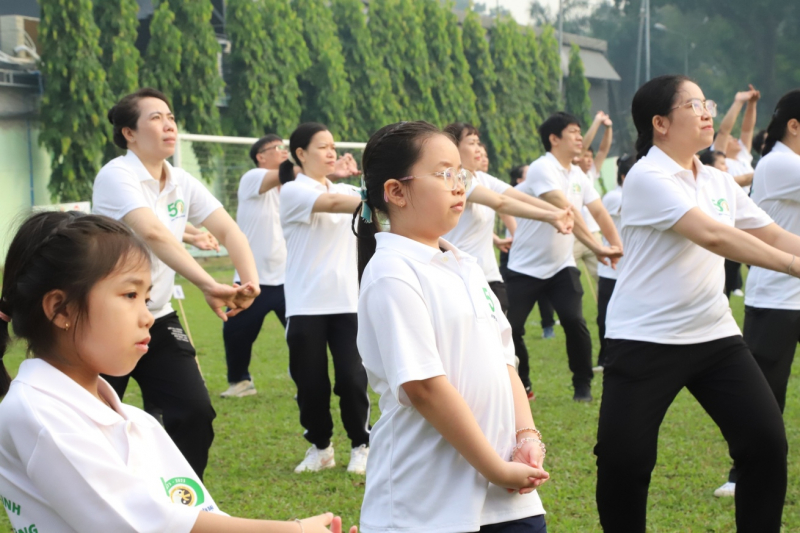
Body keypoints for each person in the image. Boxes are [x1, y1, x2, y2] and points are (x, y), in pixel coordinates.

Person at [0, 211, 357, 533]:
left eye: (147, 297)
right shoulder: (37, 415)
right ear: (60, 309)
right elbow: (144, 523)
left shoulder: (138, 422)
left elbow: (192, 511)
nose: (148, 317)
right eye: (129, 295)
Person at [596, 75, 792, 533]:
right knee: (625, 461)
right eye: (694, 105)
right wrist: (792, 266)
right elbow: (714, 235)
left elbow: (774, 234)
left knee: (765, 443)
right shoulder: (647, 176)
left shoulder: (719, 180)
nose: (706, 112)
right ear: (660, 123)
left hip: (714, 336)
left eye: (707, 103)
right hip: (644, 338)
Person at [354, 121, 549, 533]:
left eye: (461, 173)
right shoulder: (391, 272)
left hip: (508, 497)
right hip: (428, 506)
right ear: (396, 191)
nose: (459, 185)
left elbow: (505, 362)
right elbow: (424, 387)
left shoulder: (466, 265)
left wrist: (526, 436)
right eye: (445, 174)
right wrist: (495, 467)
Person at [93, 88, 260, 480]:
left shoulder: (181, 180)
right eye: (155, 117)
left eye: (170, 116)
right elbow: (153, 234)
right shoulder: (116, 176)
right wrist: (207, 283)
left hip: (157, 318)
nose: (168, 124)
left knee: (195, 411)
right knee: (94, 422)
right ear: (128, 133)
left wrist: (247, 283)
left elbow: (229, 229)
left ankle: (184, 504)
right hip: (106, 320)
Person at [714, 89, 800, 499]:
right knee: (765, 394)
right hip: (776, 299)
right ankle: (740, 473)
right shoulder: (781, 163)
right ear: (794, 126)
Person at [506, 112, 623, 402]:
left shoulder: (578, 175)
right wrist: (598, 248)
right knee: (511, 329)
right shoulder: (541, 169)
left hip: (561, 266)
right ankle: (523, 383)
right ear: (554, 139)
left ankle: (582, 385)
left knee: (574, 321)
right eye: (573, 132)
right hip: (524, 267)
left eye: (580, 132)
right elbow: (566, 212)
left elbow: (597, 212)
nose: (580, 137)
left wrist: (616, 245)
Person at [279, 123, 371, 475]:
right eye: (323, 147)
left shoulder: (350, 188)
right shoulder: (292, 191)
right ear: (300, 154)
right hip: (306, 305)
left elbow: (358, 206)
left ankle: (361, 445)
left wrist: (362, 184)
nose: (331, 153)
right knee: (311, 384)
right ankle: (320, 448)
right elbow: (332, 202)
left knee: (351, 379)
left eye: (334, 146)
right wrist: (371, 195)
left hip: (348, 302)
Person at [442, 122, 573, 316]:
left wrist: (561, 211)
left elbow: (517, 196)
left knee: (500, 340)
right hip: (461, 277)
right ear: (453, 148)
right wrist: (551, 216)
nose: (478, 149)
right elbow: (501, 203)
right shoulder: (457, 177)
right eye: (471, 143)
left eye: (479, 143)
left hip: (489, 276)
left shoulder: (483, 179)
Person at [218, 135, 289, 398]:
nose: (284, 152)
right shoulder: (252, 178)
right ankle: (240, 382)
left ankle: (307, 384)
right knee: (235, 332)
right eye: (278, 148)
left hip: (288, 279)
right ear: (261, 156)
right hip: (252, 280)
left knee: (304, 337)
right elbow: (285, 172)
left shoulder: (292, 190)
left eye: (286, 148)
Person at [499, 166, 559, 340]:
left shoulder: (537, 194)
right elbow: (501, 206)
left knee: (544, 289)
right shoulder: (513, 195)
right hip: (513, 250)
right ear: (519, 180)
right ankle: (508, 331)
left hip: (532, 250)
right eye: (527, 175)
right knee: (509, 296)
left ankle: (548, 325)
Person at [593, 154, 634, 373]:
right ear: (625, 177)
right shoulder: (613, 197)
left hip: (633, 269)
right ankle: (604, 357)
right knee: (605, 316)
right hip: (612, 269)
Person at [572, 111, 614, 282]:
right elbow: (581, 149)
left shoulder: (590, 174)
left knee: (602, 277)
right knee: (565, 278)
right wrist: (596, 121)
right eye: (586, 157)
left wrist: (608, 128)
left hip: (593, 235)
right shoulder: (572, 171)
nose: (589, 160)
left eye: (591, 157)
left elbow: (603, 150)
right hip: (573, 236)